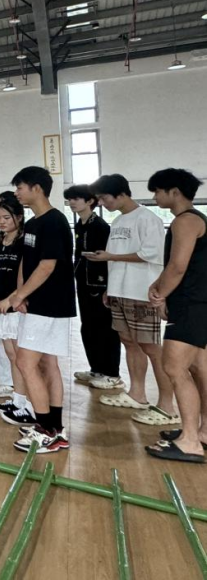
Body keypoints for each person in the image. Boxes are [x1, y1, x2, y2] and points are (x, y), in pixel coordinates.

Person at [0, 166, 75, 454]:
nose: (16, 192)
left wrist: (16, 297)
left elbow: (47, 266)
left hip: (50, 305)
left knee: (26, 363)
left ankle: (46, 431)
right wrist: (20, 295)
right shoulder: (33, 224)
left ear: (36, 188)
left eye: (20, 187)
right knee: (45, 364)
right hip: (35, 304)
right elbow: (26, 265)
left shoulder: (53, 221)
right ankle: (55, 429)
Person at [87, 173, 177, 426]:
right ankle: (137, 394)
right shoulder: (117, 221)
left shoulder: (148, 219)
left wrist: (110, 257)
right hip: (120, 290)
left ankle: (167, 406)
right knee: (128, 342)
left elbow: (152, 254)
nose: (102, 203)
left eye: (104, 197)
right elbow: (113, 257)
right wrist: (110, 287)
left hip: (141, 292)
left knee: (151, 348)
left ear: (121, 194)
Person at [147, 168, 207, 463]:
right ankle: (202, 432)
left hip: (189, 305)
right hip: (198, 304)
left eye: (157, 191)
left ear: (174, 192)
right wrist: (158, 284)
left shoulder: (185, 221)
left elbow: (178, 266)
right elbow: (178, 265)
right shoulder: (197, 220)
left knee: (174, 368)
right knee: (199, 369)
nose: (155, 197)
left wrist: (160, 294)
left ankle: (190, 441)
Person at [63, 184, 121, 389]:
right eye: (69, 199)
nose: (71, 203)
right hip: (83, 283)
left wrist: (108, 287)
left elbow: (109, 258)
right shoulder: (80, 224)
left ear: (89, 201)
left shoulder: (100, 226)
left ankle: (112, 373)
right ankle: (96, 368)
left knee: (105, 328)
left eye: (76, 199)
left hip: (99, 284)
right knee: (88, 327)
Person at [0, 193, 34, 423]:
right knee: (11, 355)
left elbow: (24, 276)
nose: (1, 222)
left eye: (6, 217)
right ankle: (18, 400)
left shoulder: (24, 242)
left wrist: (13, 299)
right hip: (2, 307)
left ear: (19, 217)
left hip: (18, 307)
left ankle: (30, 405)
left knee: (22, 357)